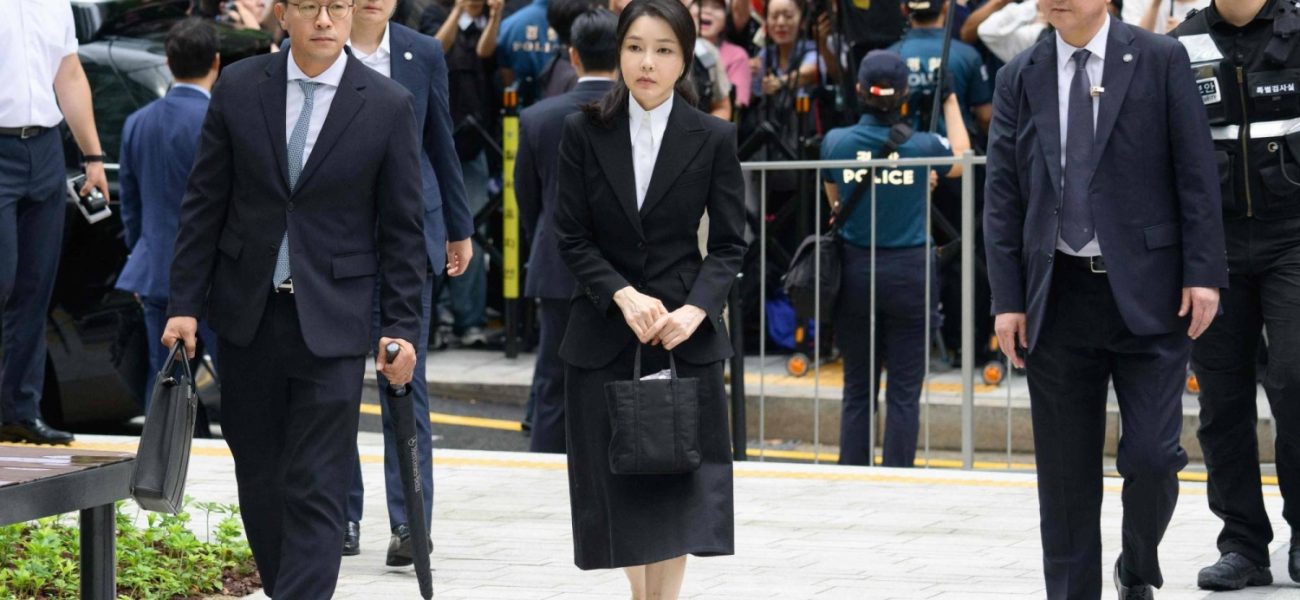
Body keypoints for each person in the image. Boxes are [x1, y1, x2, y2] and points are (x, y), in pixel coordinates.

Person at [162, 0, 427, 596]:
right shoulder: (237, 87)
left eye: (336, 6)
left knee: (316, 478)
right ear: (284, 15)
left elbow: (404, 232)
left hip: (333, 320)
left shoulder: (387, 105)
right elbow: (204, 202)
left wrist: (402, 327)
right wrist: (184, 304)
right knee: (259, 474)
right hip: (248, 316)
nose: (325, 20)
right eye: (309, 6)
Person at [984, 0, 1227, 595]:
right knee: (1065, 477)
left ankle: (1137, 564)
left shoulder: (1161, 59)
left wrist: (1204, 272)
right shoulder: (1020, 74)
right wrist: (1007, 297)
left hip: (1151, 293)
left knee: (1151, 457)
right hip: (1057, 295)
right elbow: (1003, 195)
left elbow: (1196, 172)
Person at [553, 0, 747, 596]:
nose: (647, 62)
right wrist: (621, 295)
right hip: (603, 336)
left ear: (684, 59)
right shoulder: (583, 130)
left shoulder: (713, 136)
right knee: (618, 492)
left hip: (682, 341)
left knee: (677, 491)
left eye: (664, 50)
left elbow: (731, 246)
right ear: (619, 51)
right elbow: (571, 236)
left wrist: (695, 309)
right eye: (636, 46)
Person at [313, 0, 475, 565]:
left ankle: (411, 525)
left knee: (406, 385)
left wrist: (459, 227)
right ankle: (343, 516)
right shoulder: (317, 43)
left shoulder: (422, 51)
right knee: (333, 386)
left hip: (408, 240)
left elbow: (440, 142)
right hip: (337, 245)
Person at [1170, 0, 1300, 590]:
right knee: (1221, 401)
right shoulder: (1181, 43)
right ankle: (1243, 544)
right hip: (1211, 248)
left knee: (1295, 380)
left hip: (1293, 239)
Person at [821, 50, 970, 468]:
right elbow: (963, 155)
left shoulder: (834, 141)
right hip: (910, 274)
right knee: (905, 390)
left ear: (858, 91)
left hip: (853, 272)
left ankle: (851, 474)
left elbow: (835, 201)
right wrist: (950, 101)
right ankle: (899, 477)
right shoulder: (924, 146)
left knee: (857, 388)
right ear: (904, 95)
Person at [0, 0, 109, 446]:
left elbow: (68, 74)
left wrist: (93, 155)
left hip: (45, 149)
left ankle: (19, 410)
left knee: (35, 287)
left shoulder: (54, 4)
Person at [516, 7, 618, 453]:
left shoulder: (538, 117)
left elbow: (528, 199)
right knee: (618, 378)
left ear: (572, 55)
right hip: (623, 269)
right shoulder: (635, 113)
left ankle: (542, 474)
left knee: (552, 379)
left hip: (555, 263)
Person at [116, 17, 223, 435]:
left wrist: (142, 249)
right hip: (215, 274)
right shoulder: (218, 119)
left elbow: (131, 206)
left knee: (164, 385)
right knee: (237, 383)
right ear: (216, 62)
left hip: (156, 268)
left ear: (167, 62)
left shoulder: (137, 122)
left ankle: (159, 478)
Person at [889, 0, 993, 138]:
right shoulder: (967, 55)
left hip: (902, 151)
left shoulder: (889, 57)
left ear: (904, 9)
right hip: (957, 152)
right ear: (946, 7)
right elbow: (985, 116)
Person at [496, 0, 559, 102]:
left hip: (517, 106)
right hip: (557, 104)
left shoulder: (508, 23)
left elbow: (506, 75)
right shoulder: (568, 22)